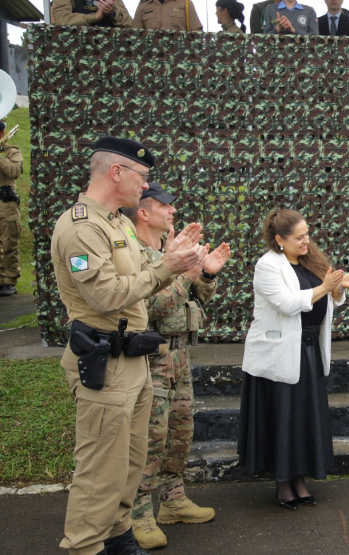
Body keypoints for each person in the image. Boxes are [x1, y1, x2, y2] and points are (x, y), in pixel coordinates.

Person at [52, 136, 207, 555]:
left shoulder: (118, 223)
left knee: (130, 462)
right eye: (142, 176)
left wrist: (169, 260)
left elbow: (142, 278)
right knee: (100, 470)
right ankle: (85, 546)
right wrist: (166, 267)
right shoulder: (82, 228)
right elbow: (105, 295)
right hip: (104, 360)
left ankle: (118, 538)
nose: (146, 185)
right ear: (116, 172)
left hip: (134, 358)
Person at [119, 183, 231, 550]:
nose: (173, 212)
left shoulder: (165, 253)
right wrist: (185, 273)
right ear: (143, 213)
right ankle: (138, 513)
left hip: (179, 356)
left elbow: (194, 298)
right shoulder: (134, 256)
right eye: (164, 207)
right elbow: (150, 307)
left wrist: (206, 275)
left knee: (180, 434)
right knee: (149, 438)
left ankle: (173, 500)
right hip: (152, 359)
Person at [238, 209, 349, 510]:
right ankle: (283, 483)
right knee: (285, 418)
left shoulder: (311, 260)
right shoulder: (267, 265)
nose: (306, 241)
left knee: (304, 419)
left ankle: (300, 479)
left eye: (307, 234)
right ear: (279, 240)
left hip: (309, 351)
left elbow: (326, 298)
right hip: (281, 354)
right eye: (299, 237)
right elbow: (287, 304)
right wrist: (326, 286)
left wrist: (338, 287)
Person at [0, 122, 23, 298]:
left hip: (6, 203)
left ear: (2, 133)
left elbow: (14, 171)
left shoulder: (11, 152)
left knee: (9, 242)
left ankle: (9, 281)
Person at [52, 0, 134, 27]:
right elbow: (61, 19)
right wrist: (95, 17)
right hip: (77, 51)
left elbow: (130, 24)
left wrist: (112, 13)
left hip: (108, 50)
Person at [133, 0, 203, 30]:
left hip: (178, 54)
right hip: (151, 54)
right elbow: (134, 36)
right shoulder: (143, 6)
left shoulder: (185, 4)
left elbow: (196, 33)